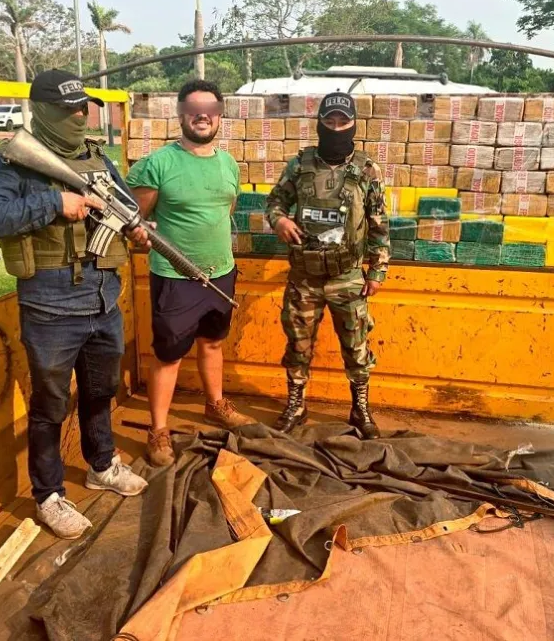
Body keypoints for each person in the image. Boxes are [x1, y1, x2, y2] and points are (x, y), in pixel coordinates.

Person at [0, 70, 150, 540]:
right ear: (43, 111)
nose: (79, 114)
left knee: (100, 391)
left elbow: (127, 205)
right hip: (50, 309)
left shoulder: (96, 157)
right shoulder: (13, 161)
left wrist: (136, 228)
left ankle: (102, 464)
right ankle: (49, 494)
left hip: (102, 302)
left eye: (83, 107)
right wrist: (54, 203)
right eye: (69, 108)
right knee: (49, 406)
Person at [125, 79, 253, 467]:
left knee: (213, 342)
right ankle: (159, 429)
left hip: (221, 271)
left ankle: (215, 405)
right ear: (180, 113)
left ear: (220, 116)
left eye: (210, 109)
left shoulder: (229, 163)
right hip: (175, 275)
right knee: (169, 354)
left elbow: (225, 211)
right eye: (194, 108)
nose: (202, 115)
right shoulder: (157, 164)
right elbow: (136, 218)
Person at [265, 92, 390, 439]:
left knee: (356, 346)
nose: (336, 128)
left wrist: (377, 271)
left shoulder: (367, 170)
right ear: (320, 123)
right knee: (298, 344)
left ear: (353, 125)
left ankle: (360, 408)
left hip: (347, 276)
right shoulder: (300, 165)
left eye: (343, 122)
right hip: (304, 277)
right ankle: (297, 404)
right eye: (330, 122)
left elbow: (379, 224)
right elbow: (274, 202)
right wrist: (279, 221)